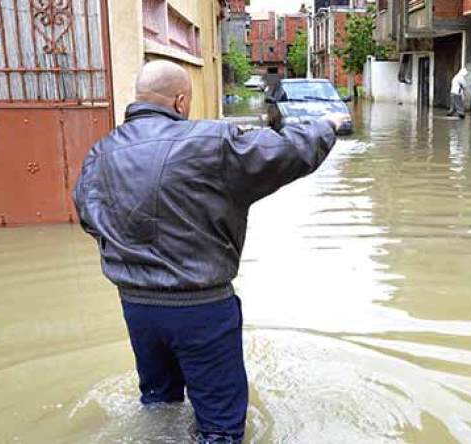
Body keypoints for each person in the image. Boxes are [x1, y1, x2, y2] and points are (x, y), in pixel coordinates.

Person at [73, 60, 350, 444]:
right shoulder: (209, 142)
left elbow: (90, 219)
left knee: (159, 406)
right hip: (200, 309)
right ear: (181, 101)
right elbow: (285, 151)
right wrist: (327, 125)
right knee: (220, 429)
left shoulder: (99, 154)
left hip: (136, 307)